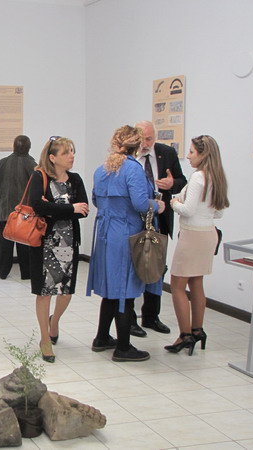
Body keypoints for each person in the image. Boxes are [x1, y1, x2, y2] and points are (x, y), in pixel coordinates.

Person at [86, 125, 165, 362]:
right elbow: (140, 203)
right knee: (125, 291)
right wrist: (157, 205)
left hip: (105, 233)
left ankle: (101, 338)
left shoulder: (101, 169)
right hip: (125, 233)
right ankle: (123, 348)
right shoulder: (133, 169)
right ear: (137, 146)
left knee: (111, 289)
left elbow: (96, 200)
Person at [166, 135, 229, 355]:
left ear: (203, 154)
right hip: (208, 234)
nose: (188, 156)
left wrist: (174, 202)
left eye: (192, 152)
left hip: (192, 236)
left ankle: (185, 335)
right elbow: (218, 213)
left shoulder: (198, 177)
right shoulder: (217, 177)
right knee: (196, 282)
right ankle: (198, 330)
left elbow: (188, 210)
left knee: (177, 285)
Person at [27, 137, 88, 363]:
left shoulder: (75, 180)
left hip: (68, 243)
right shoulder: (39, 176)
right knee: (44, 292)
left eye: (72, 151)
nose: (71, 156)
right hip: (45, 243)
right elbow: (37, 206)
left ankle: (55, 322)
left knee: (66, 291)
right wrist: (70, 208)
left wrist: (55, 208)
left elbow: (84, 210)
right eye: (66, 152)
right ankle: (45, 339)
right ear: (52, 158)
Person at [130, 121, 187, 337]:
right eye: (142, 139)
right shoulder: (129, 155)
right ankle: (130, 319)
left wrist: (172, 184)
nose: (145, 144)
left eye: (149, 139)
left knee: (157, 267)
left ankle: (151, 316)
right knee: (134, 267)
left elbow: (182, 181)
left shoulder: (166, 153)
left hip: (159, 218)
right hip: (136, 219)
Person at [0, 135, 36, 280]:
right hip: (24, 213)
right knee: (24, 242)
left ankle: (2, 272)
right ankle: (26, 273)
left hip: (2, 211)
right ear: (29, 147)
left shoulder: (1, 163)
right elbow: (36, 191)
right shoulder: (32, 165)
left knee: (4, 242)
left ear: (13, 146)